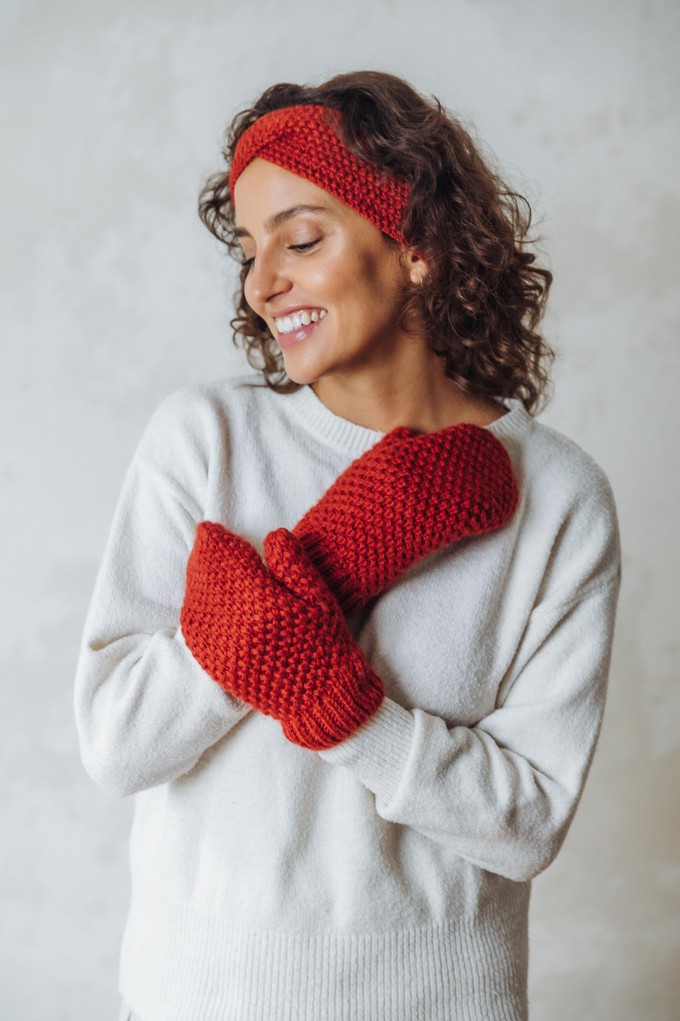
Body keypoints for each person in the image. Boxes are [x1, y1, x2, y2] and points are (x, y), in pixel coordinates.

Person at [74, 70, 621, 1021]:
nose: (263, 281)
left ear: (415, 245)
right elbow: (116, 744)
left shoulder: (559, 496)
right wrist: (329, 560)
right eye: (250, 250)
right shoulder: (205, 439)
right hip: (198, 998)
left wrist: (350, 714)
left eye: (303, 237)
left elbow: (529, 818)